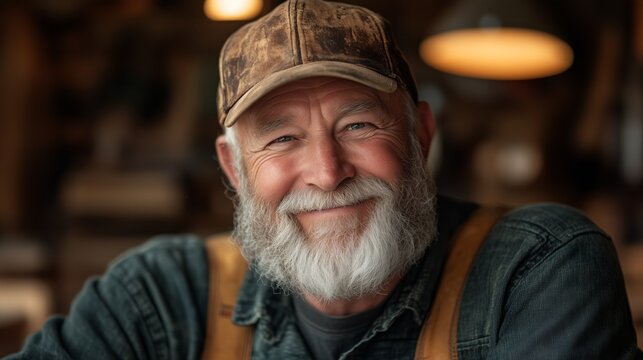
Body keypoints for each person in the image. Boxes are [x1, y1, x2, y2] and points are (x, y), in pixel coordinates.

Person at [10, 0, 642, 359]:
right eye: (282, 137)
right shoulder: (162, 296)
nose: (326, 172)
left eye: (359, 125)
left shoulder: (537, 268)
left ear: (421, 136)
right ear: (234, 169)